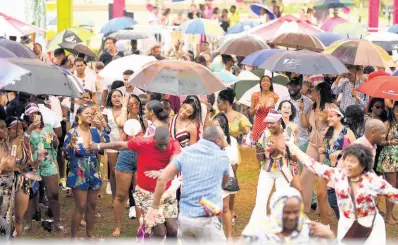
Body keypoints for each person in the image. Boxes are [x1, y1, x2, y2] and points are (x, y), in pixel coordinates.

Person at [285, 140, 398, 244]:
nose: (348, 164)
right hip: (347, 225)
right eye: (346, 160)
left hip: (371, 226)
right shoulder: (338, 175)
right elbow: (311, 164)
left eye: (353, 161)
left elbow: (394, 195)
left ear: (363, 165)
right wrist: (292, 146)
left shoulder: (373, 181)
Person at [90, 126, 181, 238]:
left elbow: (174, 160)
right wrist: (98, 145)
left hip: (167, 192)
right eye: (160, 144)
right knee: (160, 233)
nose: (163, 147)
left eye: (165, 144)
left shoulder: (174, 143)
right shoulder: (143, 142)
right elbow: (120, 145)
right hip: (147, 193)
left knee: (173, 229)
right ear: (154, 139)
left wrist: (163, 172)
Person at [144, 126, 230, 243]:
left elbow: (162, 179)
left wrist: (154, 207)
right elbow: (224, 183)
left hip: (186, 219)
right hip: (208, 219)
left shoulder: (186, 152)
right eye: (223, 137)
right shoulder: (222, 156)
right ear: (218, 140)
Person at [245, 110, 299, 231]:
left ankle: (282, 229)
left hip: (283, 171)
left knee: (282, 200)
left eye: (271, 123)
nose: (269, 125)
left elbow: (295, 157)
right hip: (266, 171)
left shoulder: (289, 134)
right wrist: (259, 152)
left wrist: (279, 150)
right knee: (261, 200)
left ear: (279, 121)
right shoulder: (264, 134)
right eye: (267, 123)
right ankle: (257, 229)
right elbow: (260, 158)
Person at [63, 105, 110, 239]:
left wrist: (102, 126)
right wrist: (69, 146)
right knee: (81, 206)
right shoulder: (72, 133)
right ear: (78, 115)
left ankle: (89, 236)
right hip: (78, 172)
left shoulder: (95, 131)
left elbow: (107, 142)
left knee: (92, 205)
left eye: (92, 113)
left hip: (94, 171)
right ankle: (74, 238)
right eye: (87, 113)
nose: (90, 115)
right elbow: (65, 154)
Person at [243, 188, 336, 244]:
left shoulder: (310, 231)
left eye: (296, 212)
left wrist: (330, 237)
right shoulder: (256, 230)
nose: (292, 217)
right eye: (287, 212)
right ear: (275, 211)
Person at [24, 104, 64, 232]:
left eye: (36, 113)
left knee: (53, 193)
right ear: (28, 117)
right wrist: (29, 130)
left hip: (48, 162)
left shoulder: (48, 127)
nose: (34, 115)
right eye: (31, 114)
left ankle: (57, 222)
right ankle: (28, 223)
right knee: (31, 194)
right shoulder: (26, 131)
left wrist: (54, 138)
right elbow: (25, 146)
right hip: (33, 164)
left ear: (40, 114)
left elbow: (56, 145)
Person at [112, 95, 148, 236]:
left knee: (140, 194)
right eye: (131, 103)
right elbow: (120, 123)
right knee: (121, 195)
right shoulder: (122, 119)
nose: (134, 105)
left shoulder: (144, 121)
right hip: (126, 155)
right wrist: (125, 105)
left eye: (136, 103)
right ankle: (118, 226)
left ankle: (141, 226)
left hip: (141, 157)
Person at [300, 82, 334, 214]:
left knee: (324, 176)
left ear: (319, 93)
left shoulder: (330, 107)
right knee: (306, 173)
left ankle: (325, 209)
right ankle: (305, 206)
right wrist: (302, 110)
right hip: (313, 143)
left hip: (325, 145)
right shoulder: (312, 108)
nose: (311, 93)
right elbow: (304, 125)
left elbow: (337, 123)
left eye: (313, 91)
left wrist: (328, 118)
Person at [319, 106, 356, 221]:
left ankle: (346, 222)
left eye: (331, 116)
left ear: (339, 117)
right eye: (328, 117)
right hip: (329, 168)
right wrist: (323, 150)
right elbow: (326, 149)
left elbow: (356, 151)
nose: (328, 119)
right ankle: (343, 220)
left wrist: (341, 151)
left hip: (343, 170)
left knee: (340, 198)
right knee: (331, 198)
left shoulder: (348, 132)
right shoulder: (327, 131)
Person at [5, 117, 34, 236]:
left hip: (22, 181)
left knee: (18, 218)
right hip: (5, 182)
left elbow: (29, 162)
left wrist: (37, 161)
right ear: (8, 129)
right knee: (5, 218)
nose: (19, 131)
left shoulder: (25, 143)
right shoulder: (3, 144)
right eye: (15, 128)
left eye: (21, 128)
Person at [211, 113, 238, 239]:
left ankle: (230, 237)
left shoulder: (231, 141)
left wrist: (225, 144)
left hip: (225, 176)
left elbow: (233, 160)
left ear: (223, 127)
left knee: (225, 208)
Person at [102, 90, 129, 199]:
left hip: (126, 143)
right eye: (114, 97)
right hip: (112, 142)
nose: (117, 98)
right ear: (110, 99)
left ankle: (126, 197)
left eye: (119, 96)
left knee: (125, 171)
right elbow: (105, 128)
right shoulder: (107, 110)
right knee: (113, 171)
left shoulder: (127, 110)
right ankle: (115, 197)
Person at [377, 101, 398, 224]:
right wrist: (390, 142)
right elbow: (380, 142)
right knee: (391, 186)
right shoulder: (387, 124)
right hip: (389, 157)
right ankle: (388, 216)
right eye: (396, 111)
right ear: (392, 111)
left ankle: (392, 213)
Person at [251, 75, 279, 142]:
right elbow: (251, 114)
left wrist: (273, 108)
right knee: (257, 147)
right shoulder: (255, 95)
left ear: (270, 83)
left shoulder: (275, 96)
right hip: (257, 125)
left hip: (269, 126)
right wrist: (256, 108)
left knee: (267, 146)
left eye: (268, 81)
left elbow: (277, 115)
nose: (265, 82)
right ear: (260, 83)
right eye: (263, 80)